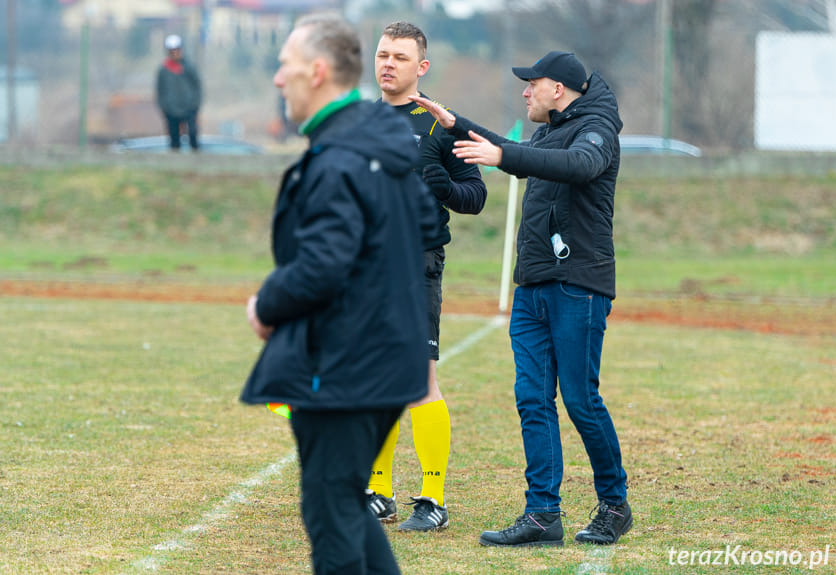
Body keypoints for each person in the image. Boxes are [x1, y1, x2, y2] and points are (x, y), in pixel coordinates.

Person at [240, 13, 436, 575]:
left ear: (318, 72)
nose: (279, 79)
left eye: (287, 66)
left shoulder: (342, 157)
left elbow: (322, 265)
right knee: (349, 505)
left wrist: (266, 303)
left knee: (332, 523)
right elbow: (423, 223)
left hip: (347, 370)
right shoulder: (383, 142)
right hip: (387, 363)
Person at [411, 50, 632, 547]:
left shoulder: (597, 128)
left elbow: (577, 166)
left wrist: (505, 156)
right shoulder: (547, 131)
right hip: (532, 286)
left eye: (533, 84)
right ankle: (542, 515)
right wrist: (458, 124)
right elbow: (515, 150)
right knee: (532, 399)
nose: (526, 92)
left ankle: (614, 505)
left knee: (579, 399)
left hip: (579, 284)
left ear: (559, 88)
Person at [366, 21, 487, 532]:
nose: (387, 63)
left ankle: (432, 499)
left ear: (422, 66)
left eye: (399, 56)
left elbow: (475, 197)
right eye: (382, 54)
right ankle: (377, 492)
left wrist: (443, 186)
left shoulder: (440, 123)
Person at [156, 34, 202, 151]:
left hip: (189, 108)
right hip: (171, 110)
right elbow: (160, 90)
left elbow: (197, 86)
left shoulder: (189, 67)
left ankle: (196, 158)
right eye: (172, 51)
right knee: (174, 138)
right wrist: (165, 107)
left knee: (192, 133)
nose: (175, 53)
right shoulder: (164, 70)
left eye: (177, 50)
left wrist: (195, 105)